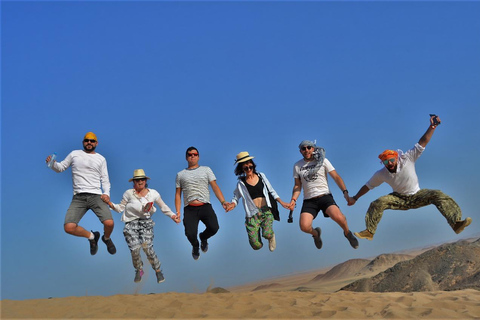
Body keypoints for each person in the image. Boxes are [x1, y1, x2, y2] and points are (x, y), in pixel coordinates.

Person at [349, 115, 472, 240]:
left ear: (396, 158)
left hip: (417, 195)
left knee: (438, 194)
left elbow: (423, 142)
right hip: (399, 199)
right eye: (386, 162)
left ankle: (456, 223)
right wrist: (355, 198)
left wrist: (432, 127)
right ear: (383, 164)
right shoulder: (381, 174)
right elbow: (368, 186)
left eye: (391, 160)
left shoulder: (408, 158)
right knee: (378, 203)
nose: (389, 163)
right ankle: (370, 231)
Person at [45, 132, 116, 256]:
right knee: (69, 227)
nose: (89, 142)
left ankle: (106, 238)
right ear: (83, 142)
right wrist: (52, 164)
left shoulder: (101, 158)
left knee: (109, 223)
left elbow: (105, 179)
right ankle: (92, 237)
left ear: (96, 143)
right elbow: (60, 167)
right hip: (79, 196)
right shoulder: (74, 154)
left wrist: (106, 193)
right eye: (87, 140)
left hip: (96, 195)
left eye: (92, 141)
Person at [105, 169, 179, 283]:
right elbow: (120, 208)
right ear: (134, 182)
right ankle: (139, 270)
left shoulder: (153, 193)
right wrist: (110, 204)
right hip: (131, 223)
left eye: (142, 179)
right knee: (135, 249)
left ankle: (158, 271)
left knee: (147, 247)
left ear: (145, 181)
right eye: (137, 180)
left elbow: (163, 206)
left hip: (146, 223)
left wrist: (173, 216)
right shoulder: (128, 193)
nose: (140, 182)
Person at [287, 140, 359, 250]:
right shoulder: (297, 165)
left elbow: (336, 177)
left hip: (324, 196)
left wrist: (345, 193)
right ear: (300, 151)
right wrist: (293, 200)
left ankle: (347, 233)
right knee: (304, 227)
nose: (306, 150)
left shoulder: (323, 161)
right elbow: (297, 185)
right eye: (303, 148)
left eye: (309, 147)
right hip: (309, 200)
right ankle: (316, 234)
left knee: (340, 217)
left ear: (313, 148)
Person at [225, 152, 290, 251]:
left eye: (250, 167)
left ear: (253, 166)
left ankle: (271, 236)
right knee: (256, 246)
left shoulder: (261, 176)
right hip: (252, 215)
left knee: (267, 234)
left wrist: (281, 202)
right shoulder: (241, 184)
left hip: (266, 211)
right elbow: (236, 197)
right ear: (242, 169)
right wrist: (232, 204)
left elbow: (271, 190)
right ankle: (257, 235)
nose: (249, 170)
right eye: (246, 168)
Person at [175, 146, 229, 260]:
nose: (192, 156)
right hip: (190, 208)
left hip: (205, 205)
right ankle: (195, 246)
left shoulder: (206, 169)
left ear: (198, 156)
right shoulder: (180, 174)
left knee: (214, 228)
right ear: (186, 157)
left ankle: (203, 237)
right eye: (190, 154)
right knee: (190, 234)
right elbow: (177, 194)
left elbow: (214, 186)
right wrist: (178, 212)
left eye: (195, 154)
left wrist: (223, 201)